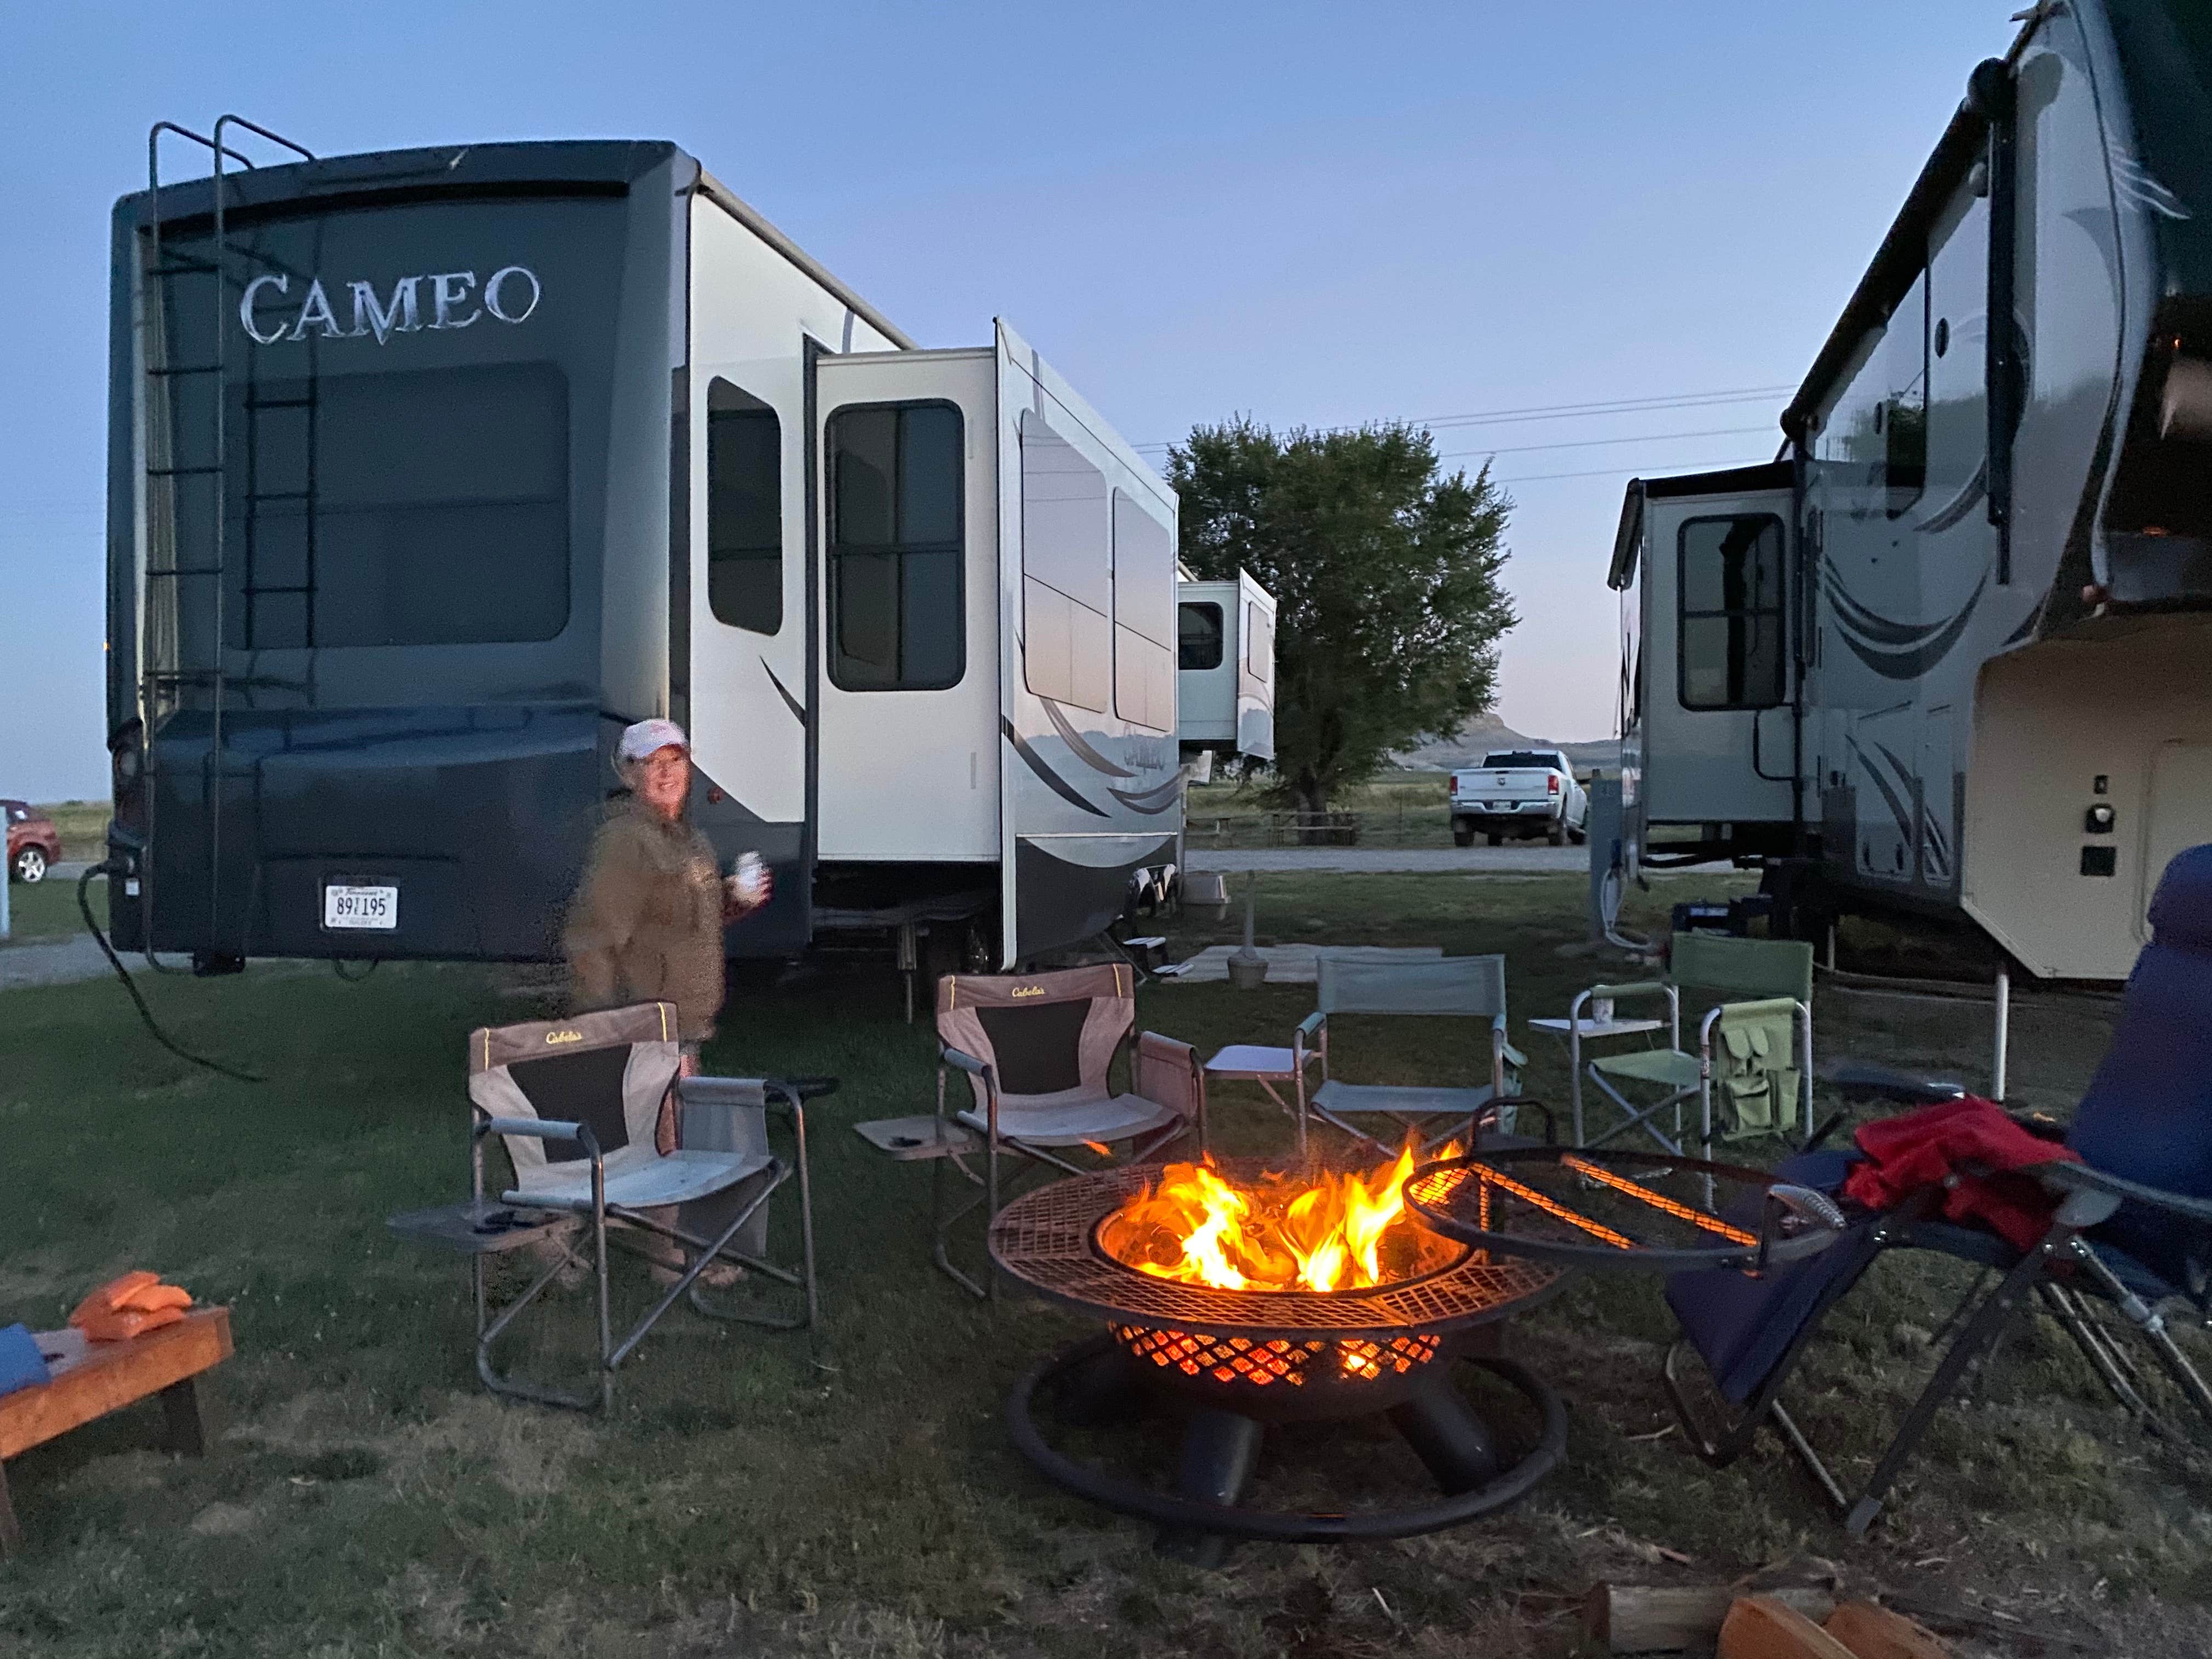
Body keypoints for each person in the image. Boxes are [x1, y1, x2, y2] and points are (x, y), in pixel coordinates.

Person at [564, 718, 772, 1284]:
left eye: (675, 761)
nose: (665, 773)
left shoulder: (684, 837)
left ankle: (654, 1247)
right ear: (628, 773)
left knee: (667, 1134)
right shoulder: (626, 840)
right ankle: (669, 1256)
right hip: (647, 1017)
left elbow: (680, 920)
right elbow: (593, 935)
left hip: (684, 1017)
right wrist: (599, 1025)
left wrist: (731, 901)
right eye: (651, 763)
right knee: (665, 1139)